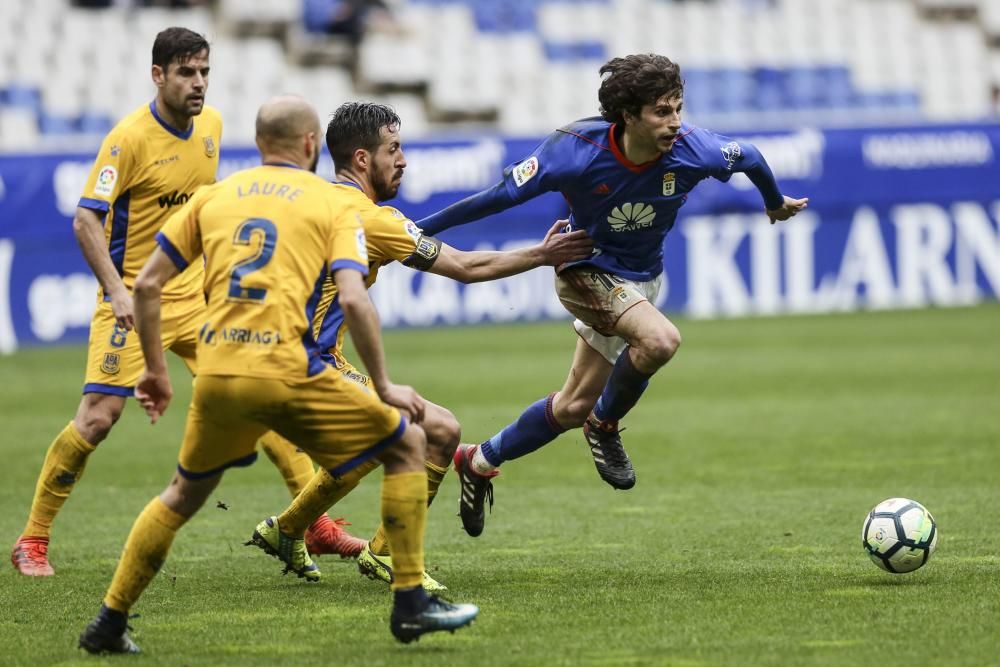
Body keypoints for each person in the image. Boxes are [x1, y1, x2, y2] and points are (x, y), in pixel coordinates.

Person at [78, 96, 479, 655]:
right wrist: (386, 385)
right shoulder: (331, 202)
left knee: (180, 496)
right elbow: (356, 301)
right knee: (411, 440)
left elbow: (146, 285)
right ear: (313, 144)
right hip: (290, 369)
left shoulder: (213, 198)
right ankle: (409, 600)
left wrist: (154, 369)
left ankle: (108, 621)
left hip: (219, 372)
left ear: (259, 142)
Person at [10, 28, 361, 578]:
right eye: (186, 73)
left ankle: (316, 526)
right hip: (133, 299)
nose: (198, 83)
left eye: (204, 72)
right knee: (99, 418)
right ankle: (32, 538)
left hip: (195, 297)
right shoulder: (128, 139)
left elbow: (201, 212)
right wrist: (119, 291)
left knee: (258, 393)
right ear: (158, 75)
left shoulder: (213, 127)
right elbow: (85, 220)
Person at [416, 53, 809, 537]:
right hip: (584, 267)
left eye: (678, 109)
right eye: (662, 113)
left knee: (570, 406)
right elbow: (496, 197)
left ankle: (479, 459)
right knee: (660, 341)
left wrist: (774, 203)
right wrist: (413, 232)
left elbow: (748, 155)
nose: (675, 123)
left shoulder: (693, 149)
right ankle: (604, 427)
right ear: (628, 116)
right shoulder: (573, 150)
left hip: (640, 279)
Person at [248, 101, 593, 591]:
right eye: (394, 148)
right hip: (303, 366)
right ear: (363, 159)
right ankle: (386, 556)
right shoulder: (372, 219)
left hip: (254, 359)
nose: (404, 159)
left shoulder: (312, 202)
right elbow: (466, 267)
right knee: (438, 431)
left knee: (374, 439)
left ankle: (287, 530)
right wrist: (542, 254)